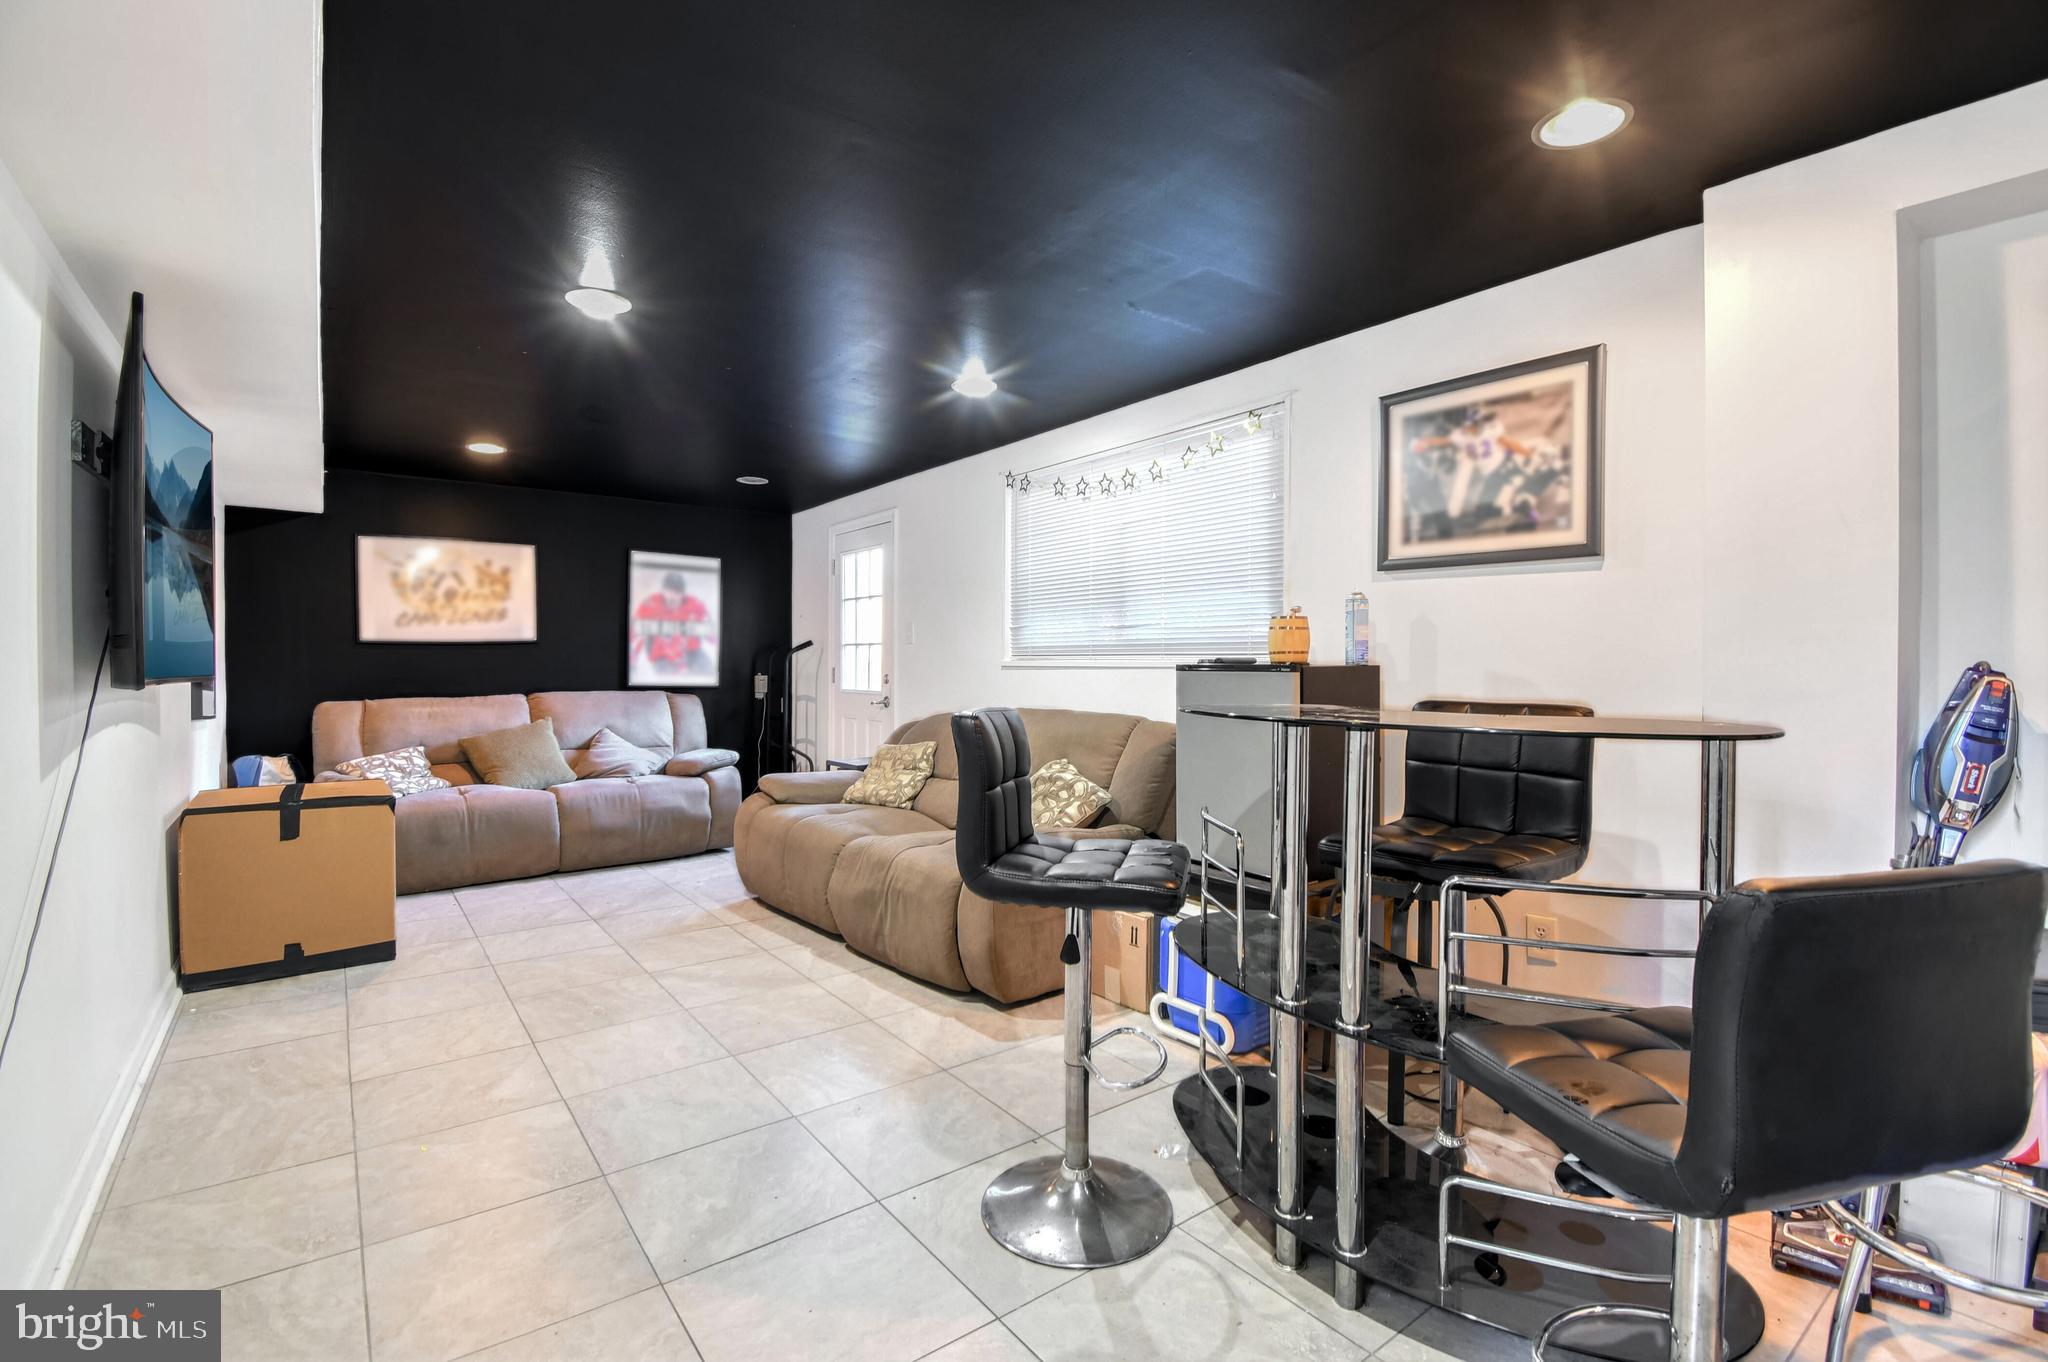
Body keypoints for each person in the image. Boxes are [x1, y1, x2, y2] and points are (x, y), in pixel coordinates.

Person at [631, 570, 713, 676]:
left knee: (709, 671)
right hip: (662, 655)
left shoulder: (696, 605)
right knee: (672, 679)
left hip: (692, 652)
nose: (673, 596)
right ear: (663, 590)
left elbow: (712, 632)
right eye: (669, 591)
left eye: (677, 592)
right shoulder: (650, 604)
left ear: (683, 593)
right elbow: (634, 633)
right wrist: (632, 660)